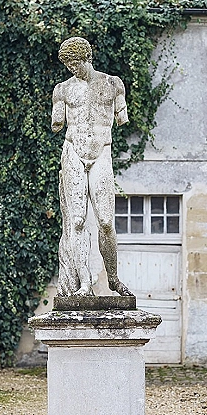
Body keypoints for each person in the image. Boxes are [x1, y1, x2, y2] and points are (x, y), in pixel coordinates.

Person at [52, 36, 132, 298]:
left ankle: (113, 278)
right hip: (73, 151)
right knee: (76, 221)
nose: (71, 68)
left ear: (86, 57)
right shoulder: (62, 89)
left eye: (74, 62)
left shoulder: (112, 84)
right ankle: (84, 283)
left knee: (106, 222)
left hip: (102, 152)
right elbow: (57, 123)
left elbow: (122, 118)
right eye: (67, 64)